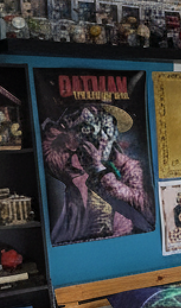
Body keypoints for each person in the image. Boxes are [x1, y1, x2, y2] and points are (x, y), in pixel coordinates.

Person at [42, 104, 154, 244]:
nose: (102, 138)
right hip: (79, 240)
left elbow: (143, 209)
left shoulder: (129, 167)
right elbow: (50, 155)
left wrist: (99, 169)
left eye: (106, 130)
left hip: (120, 240)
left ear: (115, 134)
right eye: (91, 130)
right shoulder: (76, 161)